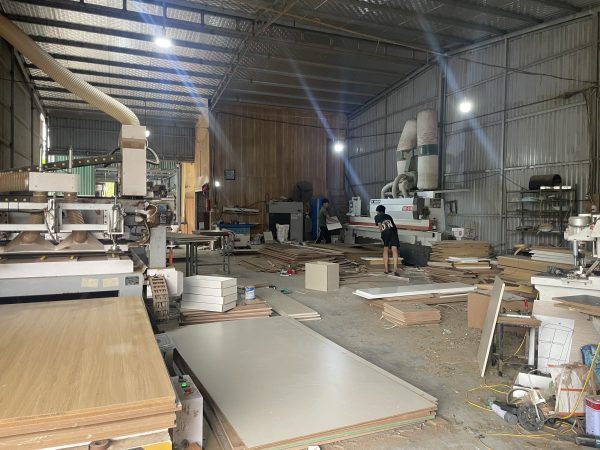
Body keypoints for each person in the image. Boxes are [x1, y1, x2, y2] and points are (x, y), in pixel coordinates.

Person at [374, 204, 400, 276]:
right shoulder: (388, 216)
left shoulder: (377, 216)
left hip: (386, 232)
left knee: (385, 249)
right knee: (394, 249)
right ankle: (395, 269)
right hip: (394, 231)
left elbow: (380, 226)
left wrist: (382, 233)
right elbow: (392, 225)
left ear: (378, 211)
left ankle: (386, 269)